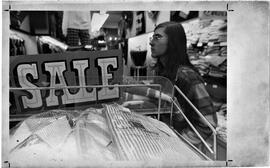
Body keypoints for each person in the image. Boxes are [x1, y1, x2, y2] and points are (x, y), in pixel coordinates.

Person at [149, 21, 217, 149]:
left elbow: (208, 123)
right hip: (163, 140)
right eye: (152, 37)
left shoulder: (187, 77)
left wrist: (178, 145)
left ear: (173, 42)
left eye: (157, 37)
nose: (151, 42)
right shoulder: (161, 72)